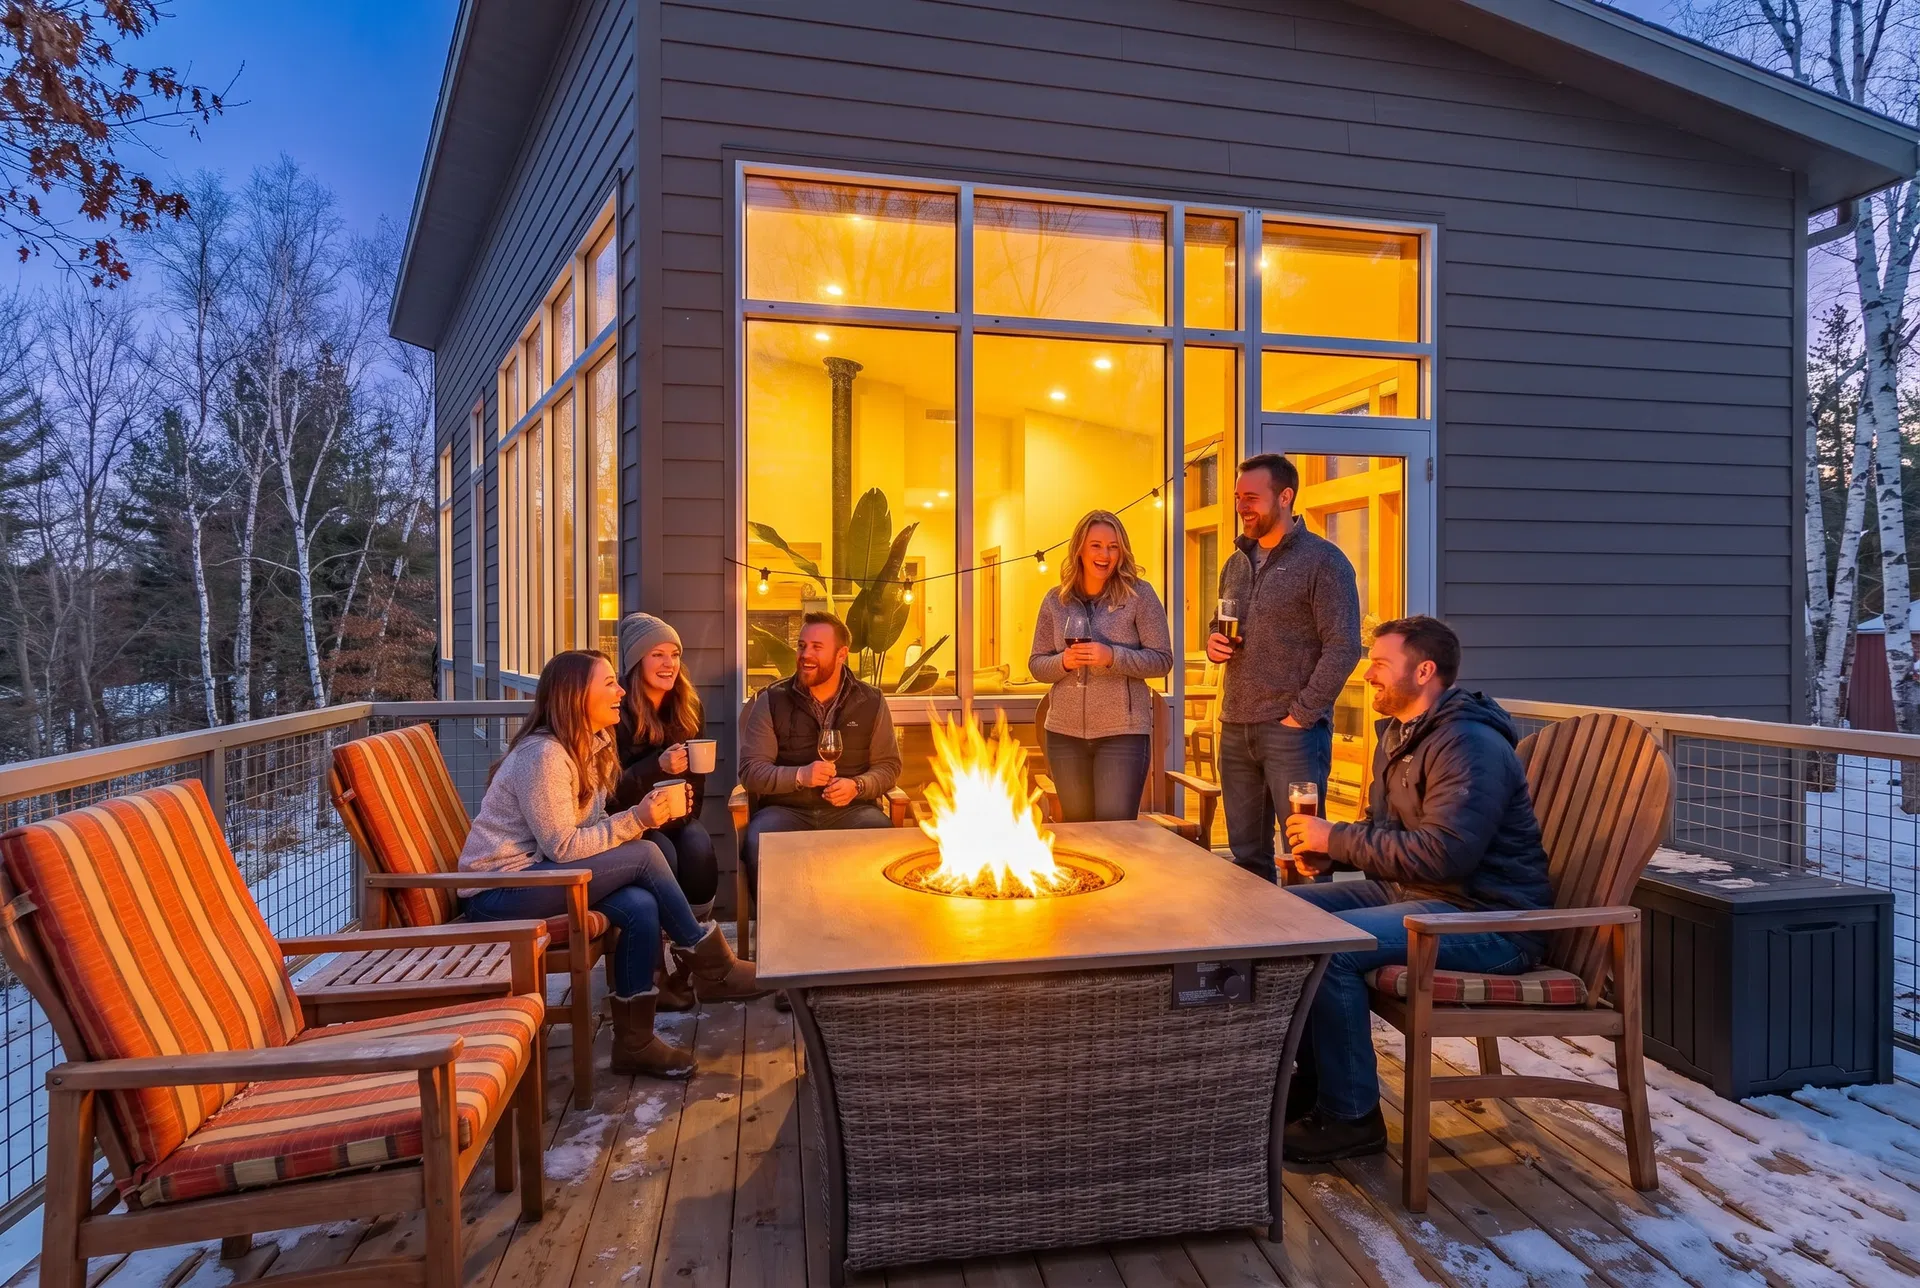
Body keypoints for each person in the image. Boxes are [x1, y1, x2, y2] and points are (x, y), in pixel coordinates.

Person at [1279, 616, 1553, 1163]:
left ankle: (1351, 1117)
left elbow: (1446, 853)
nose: (1368, 674)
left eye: (1380, 663)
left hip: (1490, 920)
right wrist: (1332, 848)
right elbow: (1391, 836)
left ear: (1423, 670)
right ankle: (1312, 1088)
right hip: (1414, 895)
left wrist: (1336, 838)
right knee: (1282, 917)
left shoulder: (1468, 744)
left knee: (1332, 947)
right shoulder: (1403, 735)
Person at [459, 649, 764, 1081]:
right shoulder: (544, 756)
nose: (620, 690)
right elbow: (563, 847)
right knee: (645, 852)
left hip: (540, 876)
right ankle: (713, 965)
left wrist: (638, 817)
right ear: (575, 696)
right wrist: (637, 820)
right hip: (500, 891)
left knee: (639, 902)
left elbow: (593, 827)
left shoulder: (591, 747)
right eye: (609, 684)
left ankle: (634, 1044)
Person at [1205, 452, 1362, 884]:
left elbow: (1344, 647)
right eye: (1238, 497)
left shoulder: (1324, 563)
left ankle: (1313, 951)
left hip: (1292, 732)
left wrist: (1301, 715)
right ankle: (1255, 948)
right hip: (1236, 725)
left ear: (1286, 497)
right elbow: (1221, 622)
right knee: (1246, 854)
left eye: (1251, 497)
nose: (1242, 506)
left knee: (1307, 856)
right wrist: (1214, 641)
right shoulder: (1235, 563)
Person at [738, 611, 902, 888]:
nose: (805, 654)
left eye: (817, 647)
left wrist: (858, 786)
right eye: (802, 646)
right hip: (785, 809)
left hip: (853, 810)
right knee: (759, 842)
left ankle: (866, 924)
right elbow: (751, 771)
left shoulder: (871, 700)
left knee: (880, 836)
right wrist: (800, 775)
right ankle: (778, 929)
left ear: (841, 654)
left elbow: (889, 766)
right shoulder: (772, 699)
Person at [1028, 510, 1173, 821]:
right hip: (1063, 736)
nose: (1105, 555)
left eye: (1113, 546)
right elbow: (1037, 664)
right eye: (1096, 545)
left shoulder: (1140, 595)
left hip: (1122, 735)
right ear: (1079, 548)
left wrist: (1112, 657)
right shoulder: (1055, 600)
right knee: (1079, 832)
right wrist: (1063, 662)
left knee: (1115, 833)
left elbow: (1162, 660)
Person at [610, 613, 719, 916]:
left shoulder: (688, 705)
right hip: (628, 822)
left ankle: (691, 941)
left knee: (698, 847)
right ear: (635, 662)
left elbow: (697, 778)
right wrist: (657, 766)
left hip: (677, 817)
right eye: (657, 655)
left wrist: (685, 816)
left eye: (673, 655)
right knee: (662, 852)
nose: (669, 663)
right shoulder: (615, 711)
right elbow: (608, 791)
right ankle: (662, 935)